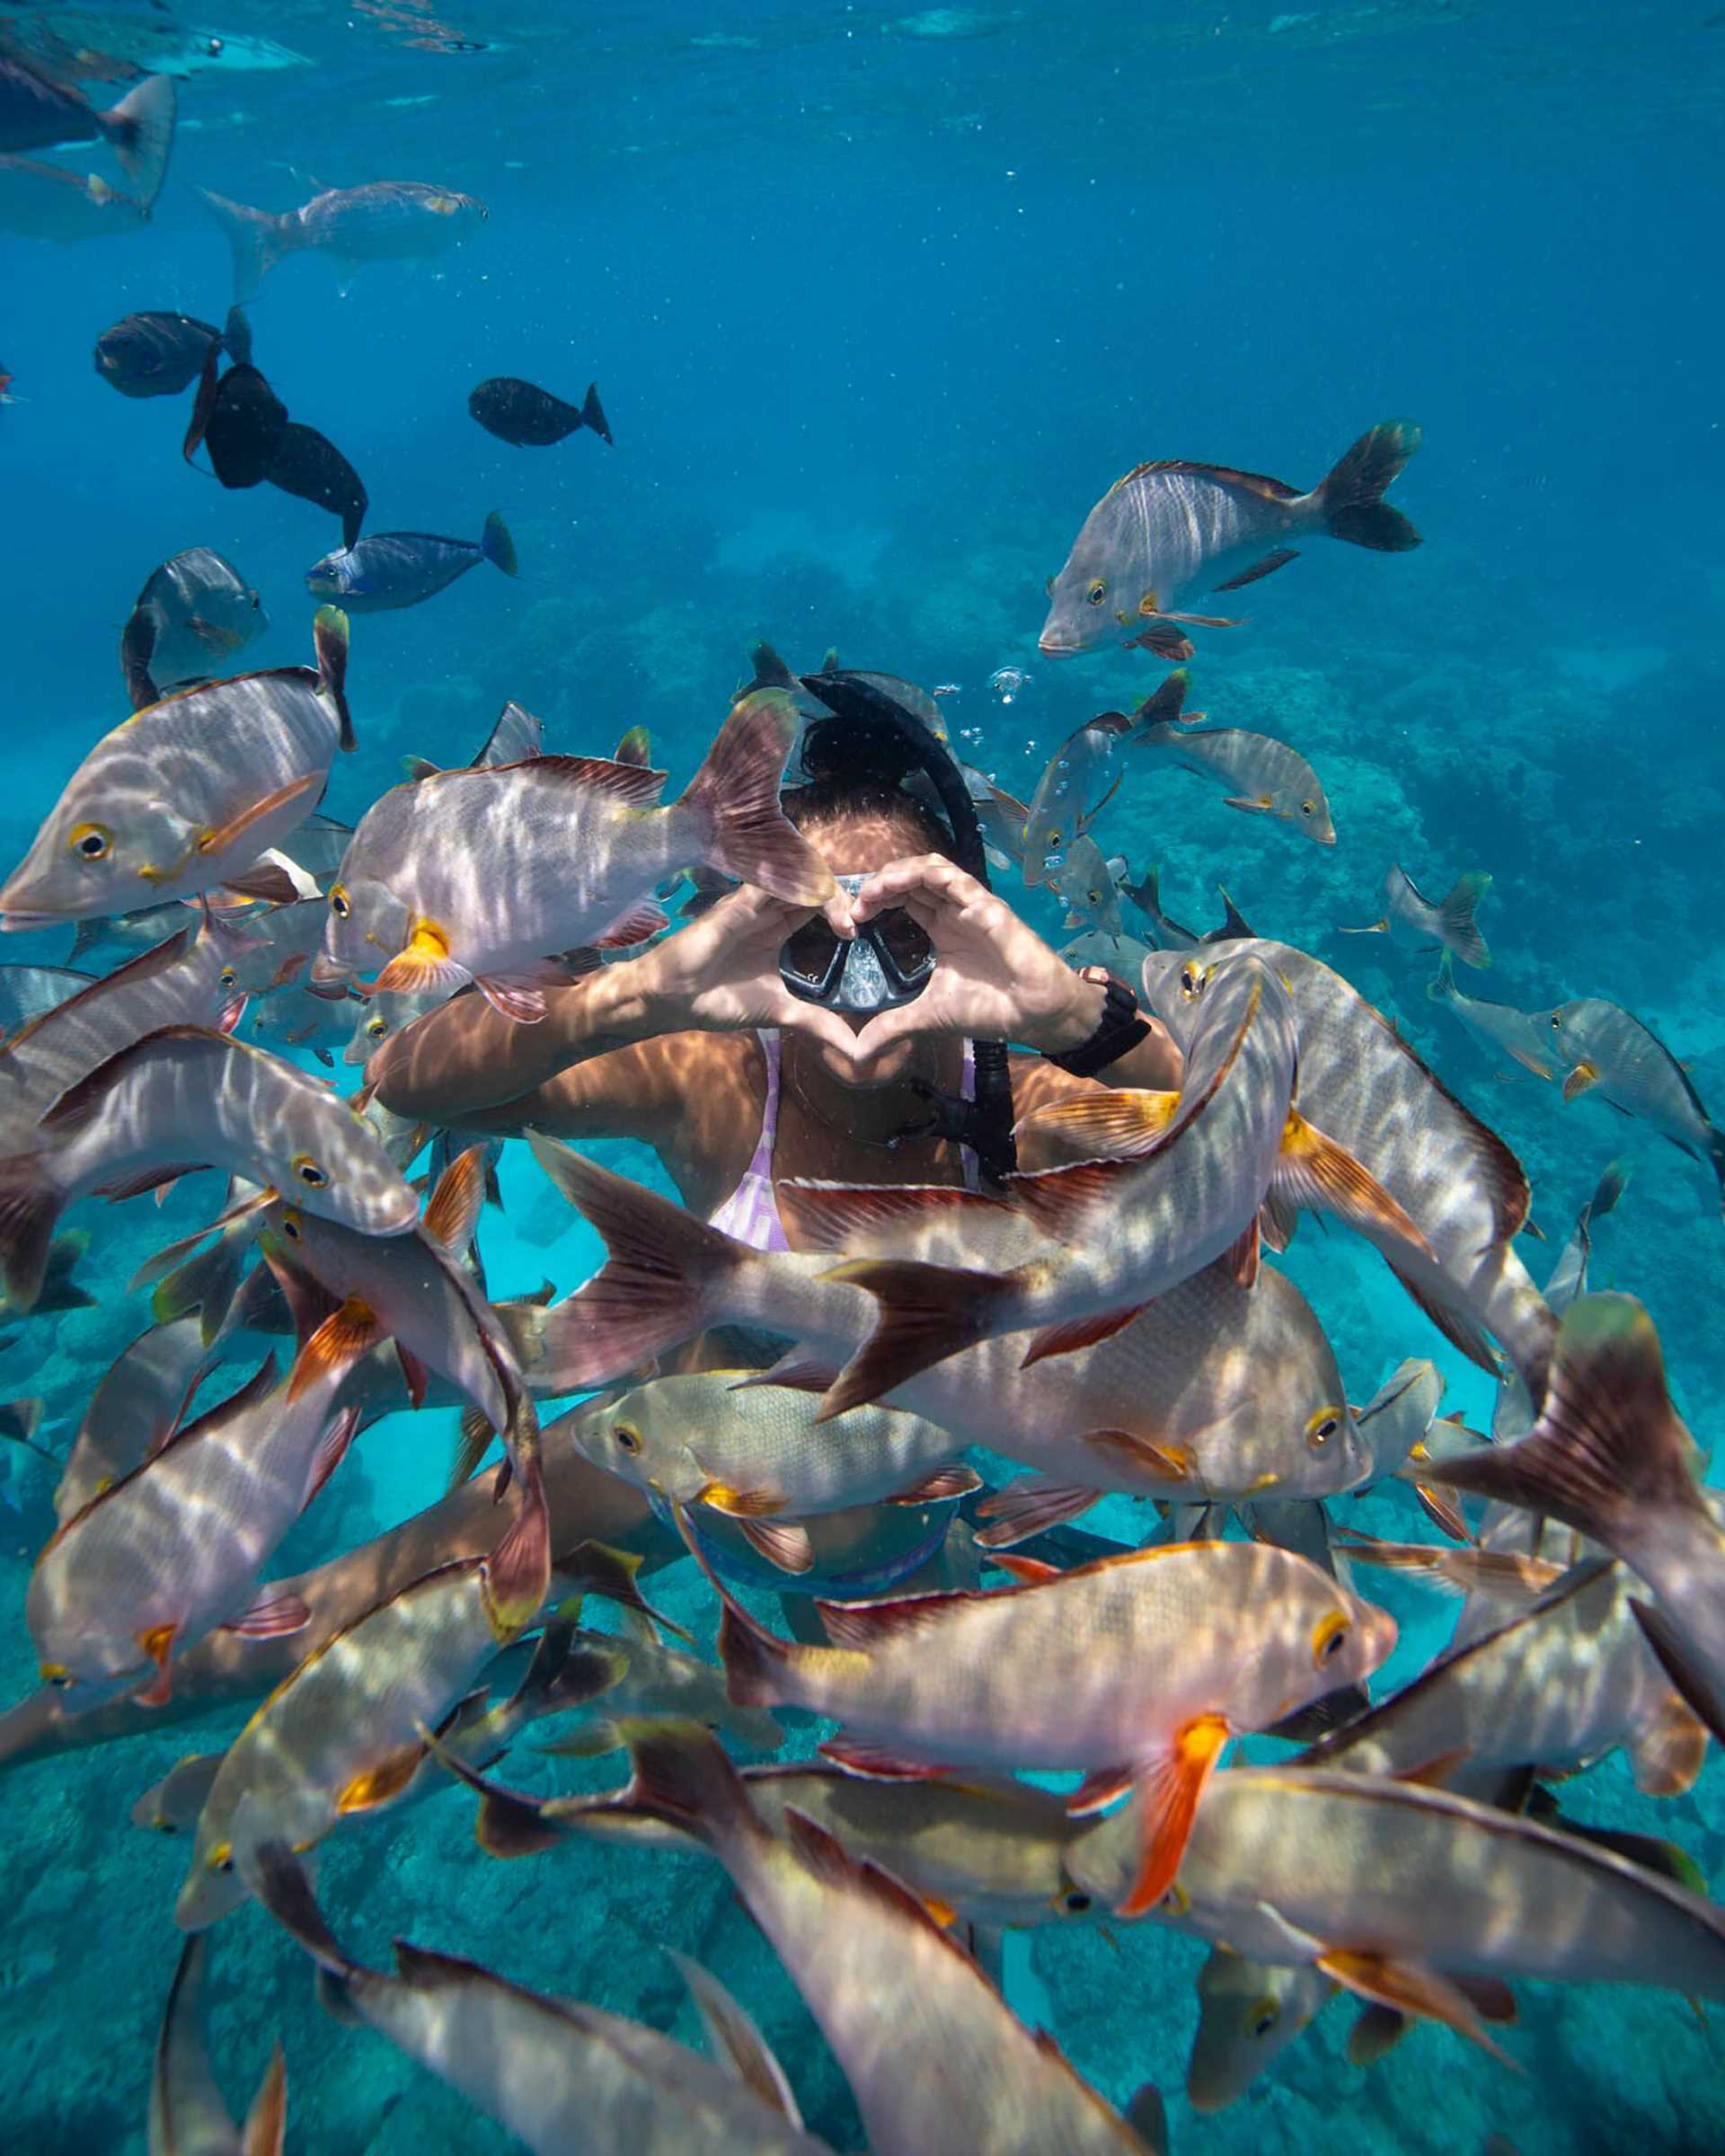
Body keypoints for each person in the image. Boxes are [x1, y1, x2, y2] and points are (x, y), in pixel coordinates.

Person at [370, 674, 1181, 1597]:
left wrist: (1078, 1018)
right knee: (371, 1598)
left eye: (904, 937)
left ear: (967, 931)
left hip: (899, 1544)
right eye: (811, 937)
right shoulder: (714, 1075)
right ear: (758, 933)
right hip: (683, 1470)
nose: (859, 978)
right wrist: (626, 998)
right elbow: (407, 1079)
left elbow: (1259, 1142)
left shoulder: (1016, 1103)